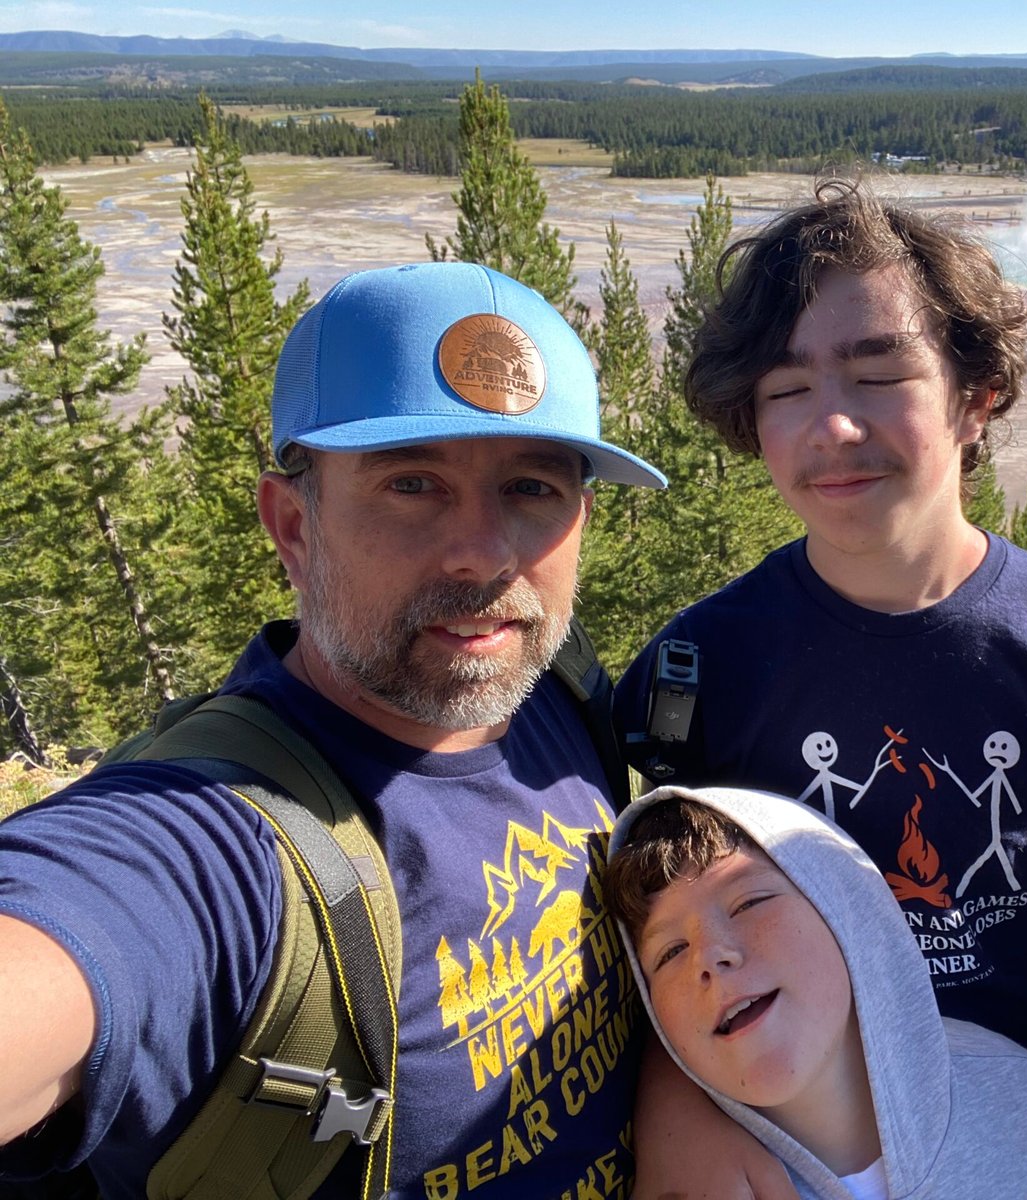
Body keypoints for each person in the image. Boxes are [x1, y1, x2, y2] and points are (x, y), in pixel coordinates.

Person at [0, 262, 666, 1199]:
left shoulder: (560, 695)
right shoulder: (217, 842)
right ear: (293, 527)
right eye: (412, 484)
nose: (484, 551)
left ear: (581, 518)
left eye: (531, 487)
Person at [614, 179, 1027, 1200]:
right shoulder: (701, 668)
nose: (835, 427)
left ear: (974, 394)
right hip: (786, 1156)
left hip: (1001, 1142)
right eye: (786, 390)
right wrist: (672, 1112)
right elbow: (655, 942)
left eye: (876, 373)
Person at [606, 784, 1027, 1200]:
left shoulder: (1021, 1100)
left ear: (845, 903)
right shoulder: (680, 1180)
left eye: (749, 902)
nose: (709, 956)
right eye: (669, 952)